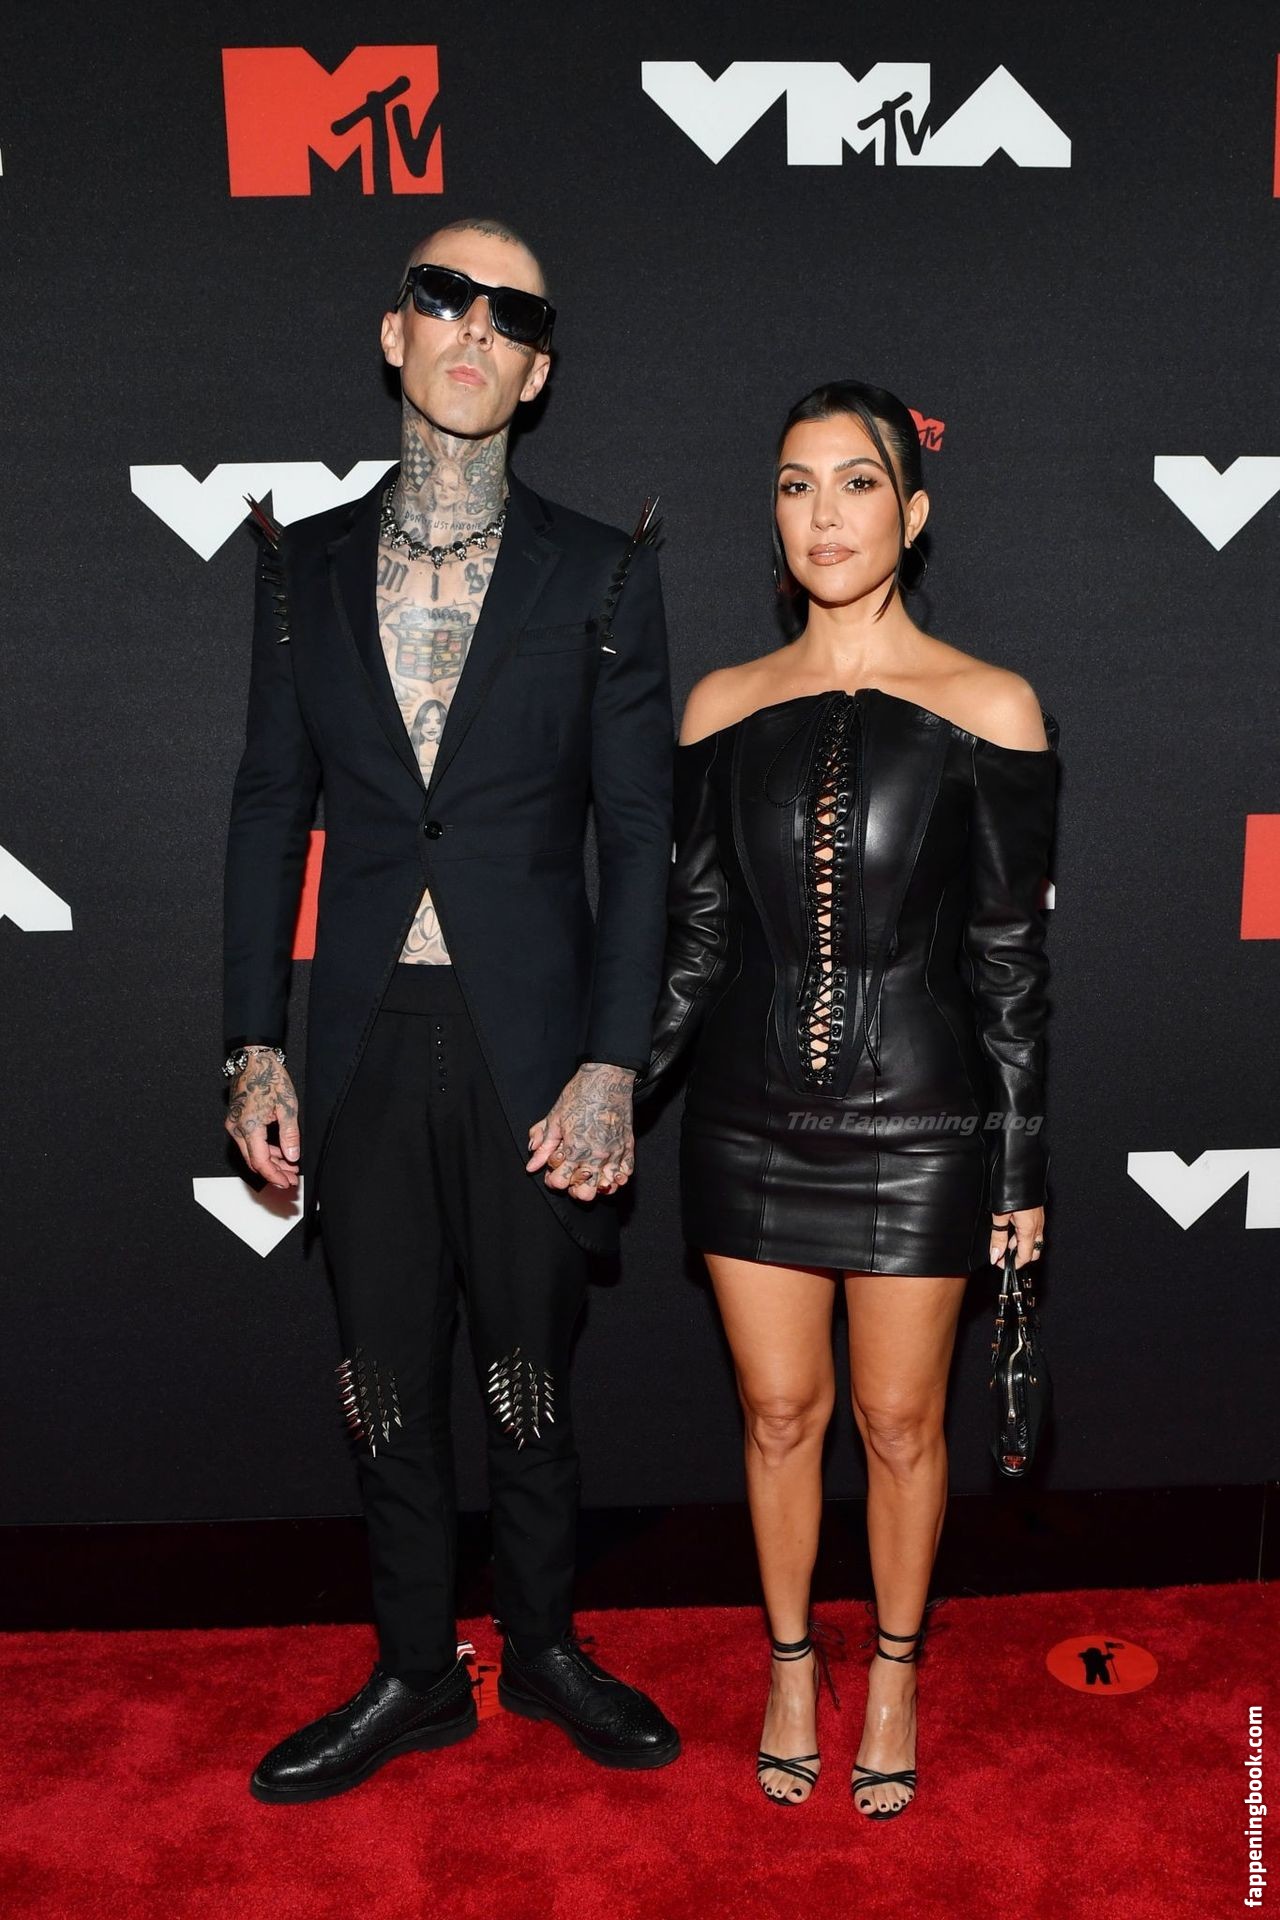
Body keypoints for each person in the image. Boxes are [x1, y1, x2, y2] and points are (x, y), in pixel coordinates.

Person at [221, 217, 679, 1801]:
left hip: (531, 1045)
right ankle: (416, 1670)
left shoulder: (604, 568)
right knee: (386, 1379)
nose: (476, 325)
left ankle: (542, 1646)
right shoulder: (302, 564)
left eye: (512, 312)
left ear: (536, 370)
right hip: (360, 1035)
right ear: (395, 331)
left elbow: (639, 836)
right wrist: (253, 1041)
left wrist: (613, 1060)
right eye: (444, 294)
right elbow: (269, 808)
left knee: (528, 1374)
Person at [635, 380, 1059, 1820]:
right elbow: (699, 939)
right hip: (745, 1118)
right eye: (796, 485)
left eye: (858, 483)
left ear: (913, 512)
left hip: (924, 1126)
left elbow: (1008, 966)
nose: (824, 515)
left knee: (897, 1422)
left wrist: (1019, 1169)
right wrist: (609, 1091)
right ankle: (787, 1662)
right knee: (775, 1414)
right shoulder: (721, 704)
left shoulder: (991, 705)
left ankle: (891, 1673)